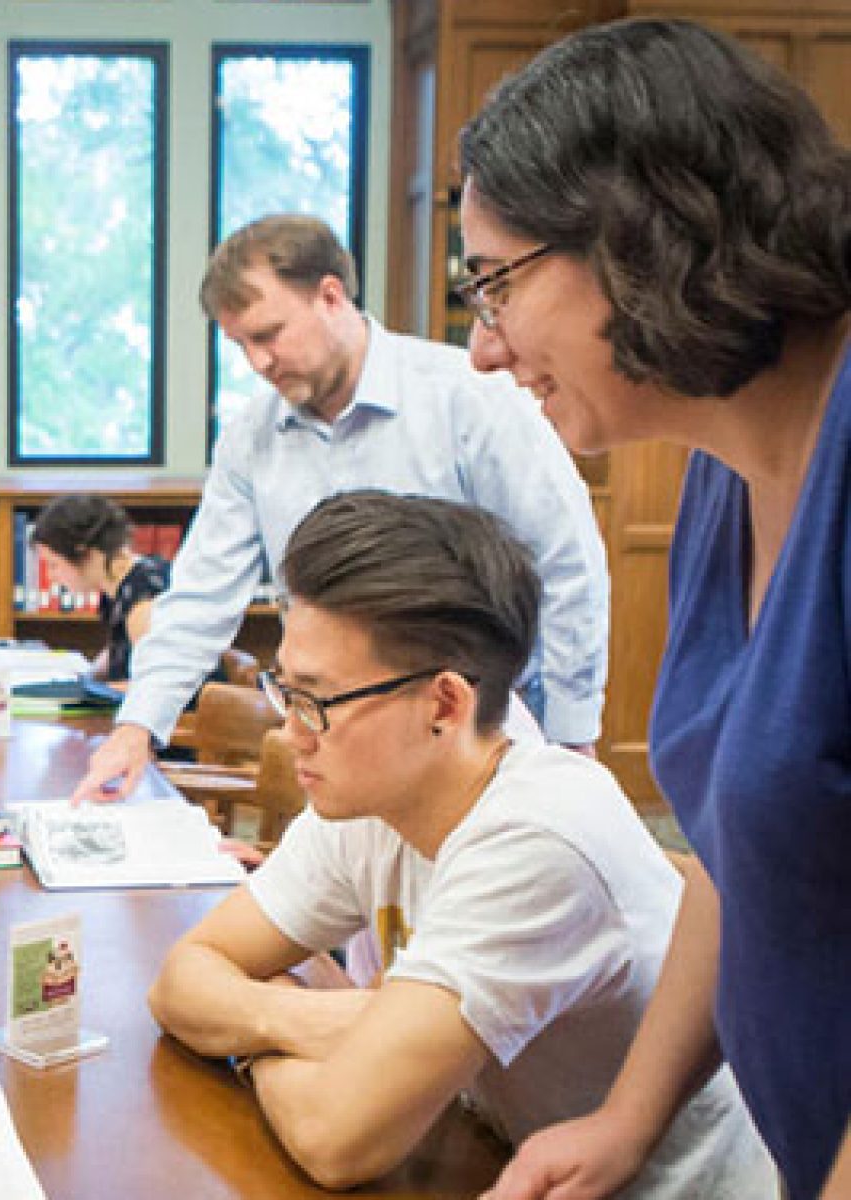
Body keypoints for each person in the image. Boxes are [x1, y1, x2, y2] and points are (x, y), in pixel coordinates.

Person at [455, 19, 851, 1200]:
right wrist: (628, 1118)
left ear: (638, 234)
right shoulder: (726, 480)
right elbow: (739, 858)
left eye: (496, 285)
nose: (483, 349)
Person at [145, 492, 774, 1197]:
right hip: (491, 1151)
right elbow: (183, 976)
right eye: (284, 690)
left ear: (444, 705)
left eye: (315, 700)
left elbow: (337, 1137)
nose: (291, 730)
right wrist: (308, 1019)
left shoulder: (535, 839)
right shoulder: (366, 798)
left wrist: (249, 1042)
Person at [72, 215, 610, 803]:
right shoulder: (251, 438)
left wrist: (571, 737)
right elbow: (202, 593)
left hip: (482, 739)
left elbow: (567, 565)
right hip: (338, 746)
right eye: (240, 345)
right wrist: (138, 728)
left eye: (269, 334)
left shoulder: (470, 397)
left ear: (331, 296)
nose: (258, 363)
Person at [29, 494, 169, 682]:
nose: (51, 577)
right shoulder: (120, 588)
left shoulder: (144, 599)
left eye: (54, 565)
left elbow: (156, 688)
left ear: (87, 554)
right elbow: (117, 655)